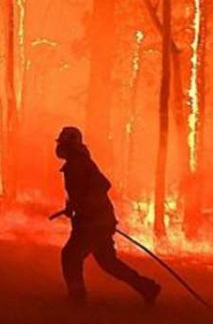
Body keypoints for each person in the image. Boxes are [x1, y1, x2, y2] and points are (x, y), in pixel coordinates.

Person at [53, 126, 160, 306]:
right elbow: (83, 192)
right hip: (96, 221)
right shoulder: (77, 163)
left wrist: (85, 209)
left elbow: (102, 186)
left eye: (62, 143)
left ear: (69, 145)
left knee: (70, 255)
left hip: (93, 224)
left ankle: (77, 296)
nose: (59, 147)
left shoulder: (78, 164)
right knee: (108, 263)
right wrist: (73, 207)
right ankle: (147, 287)